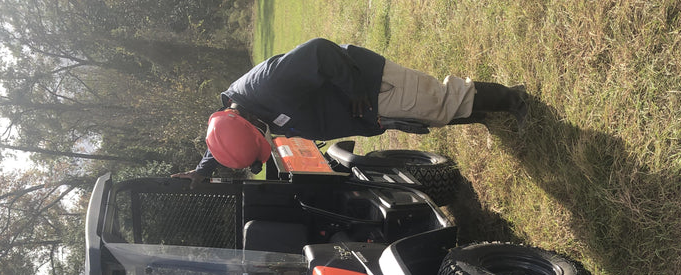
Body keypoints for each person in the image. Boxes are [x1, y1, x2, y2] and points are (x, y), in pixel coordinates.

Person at [172, 38, 527, 183]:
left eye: (261, 136)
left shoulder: (268, 86)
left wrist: (356, 91)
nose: (269, 138)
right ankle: (486, 115)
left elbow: (320, 51)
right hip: (362, 108)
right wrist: (205, 169)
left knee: (440, 101)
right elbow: (226, 139)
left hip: (369, 85)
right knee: (430, 115)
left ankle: (515, 99)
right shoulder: (240, 117)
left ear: (248, 120)